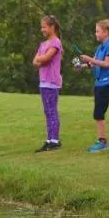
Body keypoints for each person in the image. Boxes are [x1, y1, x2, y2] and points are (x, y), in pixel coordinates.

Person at [78, 19, 109, 153]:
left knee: (99, 113)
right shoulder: (100, 47)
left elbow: (106, 64)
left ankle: (102, 142)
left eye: (97, 31)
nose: (95, 34)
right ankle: (101, 140)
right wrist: (83, 66)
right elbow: (95, 63)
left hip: (107, 83)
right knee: (98, 113)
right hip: (99, 83)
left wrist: (89, 58)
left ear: (106, 32)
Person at [33, 16, 64, 152]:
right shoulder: (43, 44)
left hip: (52, 82)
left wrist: (40, 59)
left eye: (44, 26)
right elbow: (35, 62)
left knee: (52, 111)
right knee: (47, 111)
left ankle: (54, 140)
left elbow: (45, 58)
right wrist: (40, 59)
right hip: (44, 81)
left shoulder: (56, 43)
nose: (42, 29)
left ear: (52, 27)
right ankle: (50, 139)